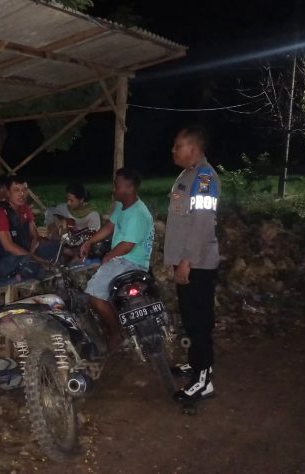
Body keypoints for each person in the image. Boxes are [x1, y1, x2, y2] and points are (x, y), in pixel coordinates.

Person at [164, 126, 221, 404]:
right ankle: (196, 363)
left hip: (198, 263)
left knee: (199, 323)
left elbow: (201, 225)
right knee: (190, 319)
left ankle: (203, 381)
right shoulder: (187, 175)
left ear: (193, 149)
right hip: (186, 262)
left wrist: (186, 261)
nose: (173, 150)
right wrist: (174, 260)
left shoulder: (205, 178)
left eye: (178, 146)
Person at [79, 168, 154, 352]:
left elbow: (127, 245)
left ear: (129, 188)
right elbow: (110, 226)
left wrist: (109, 255)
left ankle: (116, 334)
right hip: (123, 258)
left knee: (94, 296)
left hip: (129, 261)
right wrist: (90, 242)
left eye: (117, 185)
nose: (113, 189)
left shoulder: (138, 213)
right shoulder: (122, 206)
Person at [0, 174, 60, 280]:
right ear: (8, 193)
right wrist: (36, 258)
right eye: (16, 190)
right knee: (35, 266)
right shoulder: (0, 212)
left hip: (25, 253)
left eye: (24, 190)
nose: (21, 194)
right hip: (4, 259)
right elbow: (8, 246)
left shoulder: (24, 208)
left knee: (57, 248)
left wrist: (32, 254)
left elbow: (35, 236)